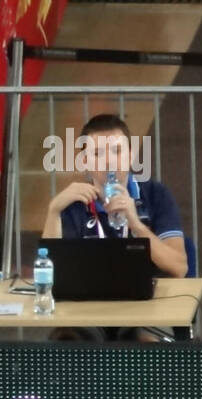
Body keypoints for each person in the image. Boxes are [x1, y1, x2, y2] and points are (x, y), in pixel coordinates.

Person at [41, 114, 188, 277]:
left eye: (117, 151)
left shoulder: (156, 194)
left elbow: (179, 268)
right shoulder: (74, 203)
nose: (109, 161)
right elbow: (49, 276)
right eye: (97, 154)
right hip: (90, 299)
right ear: (83, 161)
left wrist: (136, 224)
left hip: (149, 300)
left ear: (131, 155)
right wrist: (53, 210)